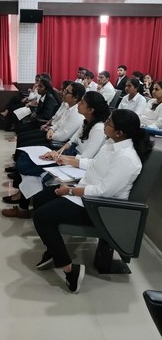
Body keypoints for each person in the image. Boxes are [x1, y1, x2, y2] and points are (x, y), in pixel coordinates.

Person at [32, 109, 153, 293]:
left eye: (108, 123)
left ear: (120, 132)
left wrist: (70, 191)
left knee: (42, 216)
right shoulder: (112, 144)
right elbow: (92, 163)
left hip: (100, 208)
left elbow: (102, 192)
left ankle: (70, 270)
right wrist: (64, 159)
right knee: (40, 198)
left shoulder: (127, 158)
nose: (104, 124)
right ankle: (54, 249)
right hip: (86, 194)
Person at [2, 91, 110, 217]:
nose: (79, 104)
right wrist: (57, 152)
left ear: (91, 109)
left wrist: (60, 157)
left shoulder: (98, 129)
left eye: (82, 102)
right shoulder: (86, 121)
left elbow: (85, 158)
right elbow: (71, 141)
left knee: (28, 165)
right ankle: (22, 200)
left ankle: (22, 207)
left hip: (76, 163)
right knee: (26, 158)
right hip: (69, 155)